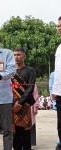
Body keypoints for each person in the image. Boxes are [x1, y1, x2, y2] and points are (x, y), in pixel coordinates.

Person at [12, 48, 36, 150]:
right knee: (15, 132)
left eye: (18, 55)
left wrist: (20, 102)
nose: (16, 57)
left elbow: (30, 88)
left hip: (25, 104)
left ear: (24, 56)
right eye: (14, 55)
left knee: (26, 132)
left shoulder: (30, 70)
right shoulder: (10, 72)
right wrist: (14, 103)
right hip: (12, 105)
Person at [52, 16, 61, 150]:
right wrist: (55, 90)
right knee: (60, 125)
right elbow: (58, 71)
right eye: (58, 26)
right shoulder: (59, 47)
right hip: (60, 94)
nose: (59, 28)